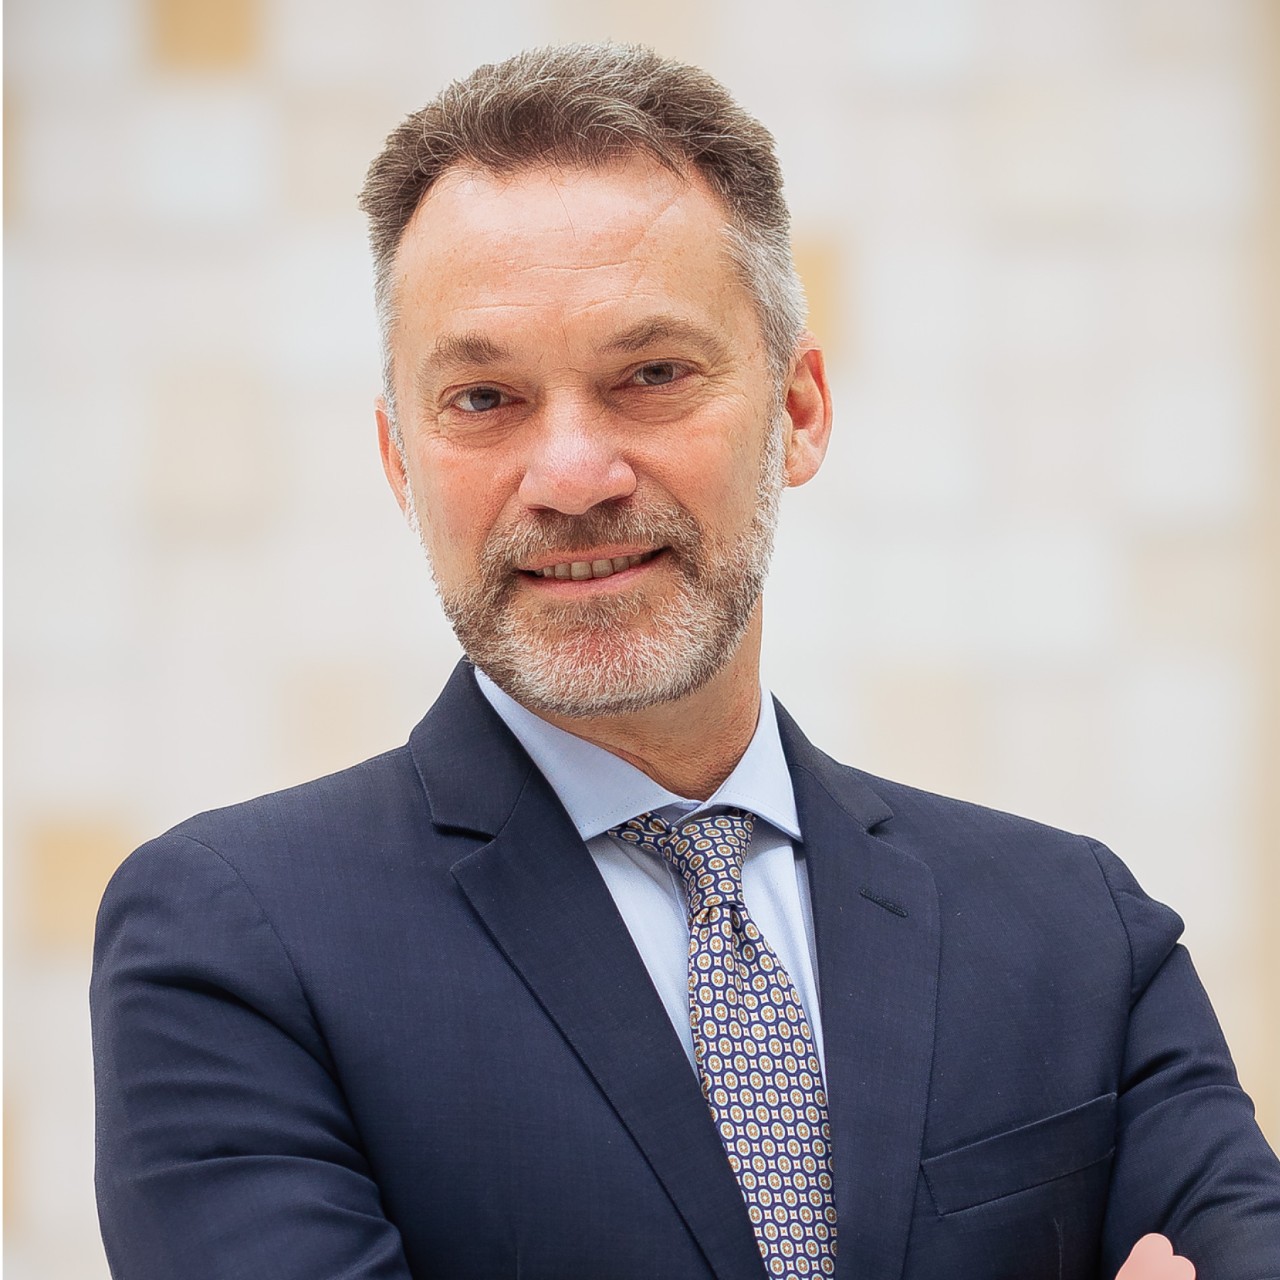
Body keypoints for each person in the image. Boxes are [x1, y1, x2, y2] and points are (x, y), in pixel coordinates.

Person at [91, 44, 1280, 1280]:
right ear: (401, 461)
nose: (570, 477)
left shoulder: (1072, 930)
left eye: (651, 374)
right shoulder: (235, 946)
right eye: (484, 399)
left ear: (797, 410)